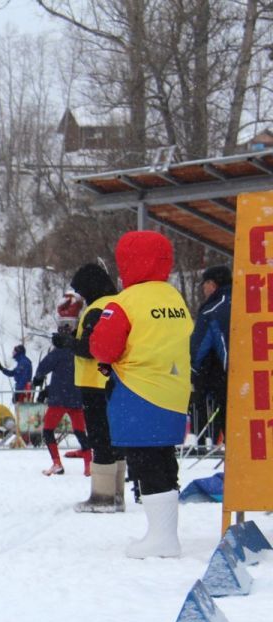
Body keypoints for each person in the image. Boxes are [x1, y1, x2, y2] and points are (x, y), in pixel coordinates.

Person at [89, 230, 192, 558]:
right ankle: (164, 533)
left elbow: (103, 347)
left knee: (146, 462)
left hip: (139, 393)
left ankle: (162, 538)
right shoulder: (174, 298)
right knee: (163, 460)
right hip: (173, 392)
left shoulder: (126, 302)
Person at [52, 263, 123, 510]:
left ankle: (102, 497)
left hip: (95, 382)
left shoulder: (96, 309)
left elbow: (92, 348)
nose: (80, 296)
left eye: (81, 290)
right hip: (114, 381)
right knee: (114, 439)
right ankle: (117, 494)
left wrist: (67, 342)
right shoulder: (116, 304)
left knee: (100, 438)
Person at [33, 315, 91, 477]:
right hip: (77, 398)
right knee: (80, 432)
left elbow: (43, 367)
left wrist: (38, 379)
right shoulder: (79, 350)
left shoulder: (58, 352)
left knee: (48, 431)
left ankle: (57, 463)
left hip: (59, 399)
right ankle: (89, 465)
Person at [189, 264, 231, 446]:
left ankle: (206, 443)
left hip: (227, 376)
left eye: (204, 284)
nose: (203, 289)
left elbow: (198, 350)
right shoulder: (248, 303)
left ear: (212, 284)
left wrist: (193, 372)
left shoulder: (211, 310)